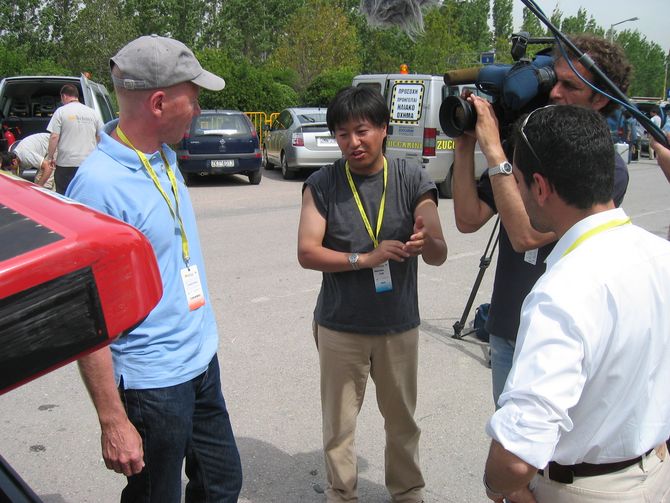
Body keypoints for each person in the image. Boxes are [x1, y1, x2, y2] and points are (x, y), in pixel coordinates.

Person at [65, 35, 242, 502]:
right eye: (195, 94)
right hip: (152, 384)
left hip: (200, 359)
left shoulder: (162, 153)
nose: (200, 106)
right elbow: (84, 316)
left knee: (222, 484)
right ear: (160, 102)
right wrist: (113, 419)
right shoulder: (97, 188)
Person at [482, 104, 670, 503]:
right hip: (654, 473)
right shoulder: (660, 254)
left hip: (583, 488)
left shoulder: (563, 290)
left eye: (516, 180)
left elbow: (517, 455)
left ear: (540, 186)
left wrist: (497, 487)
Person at [452, 34, 631, 408]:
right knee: (514, 442)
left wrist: (494, 150)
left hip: (558, 338)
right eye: (554, 81)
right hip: (506, 330)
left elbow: (527, 235)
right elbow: (468, 219)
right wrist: (465, 143)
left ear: (601, 99)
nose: (553, 93)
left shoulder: (606, 169)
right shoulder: (525, 149)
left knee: (545, 460)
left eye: (570, 86)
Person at [298, 86, 447, 503]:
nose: (353, 142)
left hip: (397, 326)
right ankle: (341, 494)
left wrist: (425, 240)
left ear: (383, 129)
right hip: (340, 326)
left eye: (361, 130)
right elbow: (307, 252)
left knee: (402, 421)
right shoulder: (322, 183)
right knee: (340, 426)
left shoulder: (410, 176)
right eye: (342, 134)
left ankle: (408, 492)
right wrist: (366, 259)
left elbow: (438, 252)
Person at [45, 83, 103, 194]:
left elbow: (54, 136)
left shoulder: (61, 112)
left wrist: (50, 157)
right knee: (84, 195)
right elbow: (100, 137)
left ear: (64, 96)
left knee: (64, 196)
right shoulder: (92, 113)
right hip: (87, 163)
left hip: (66, 163)